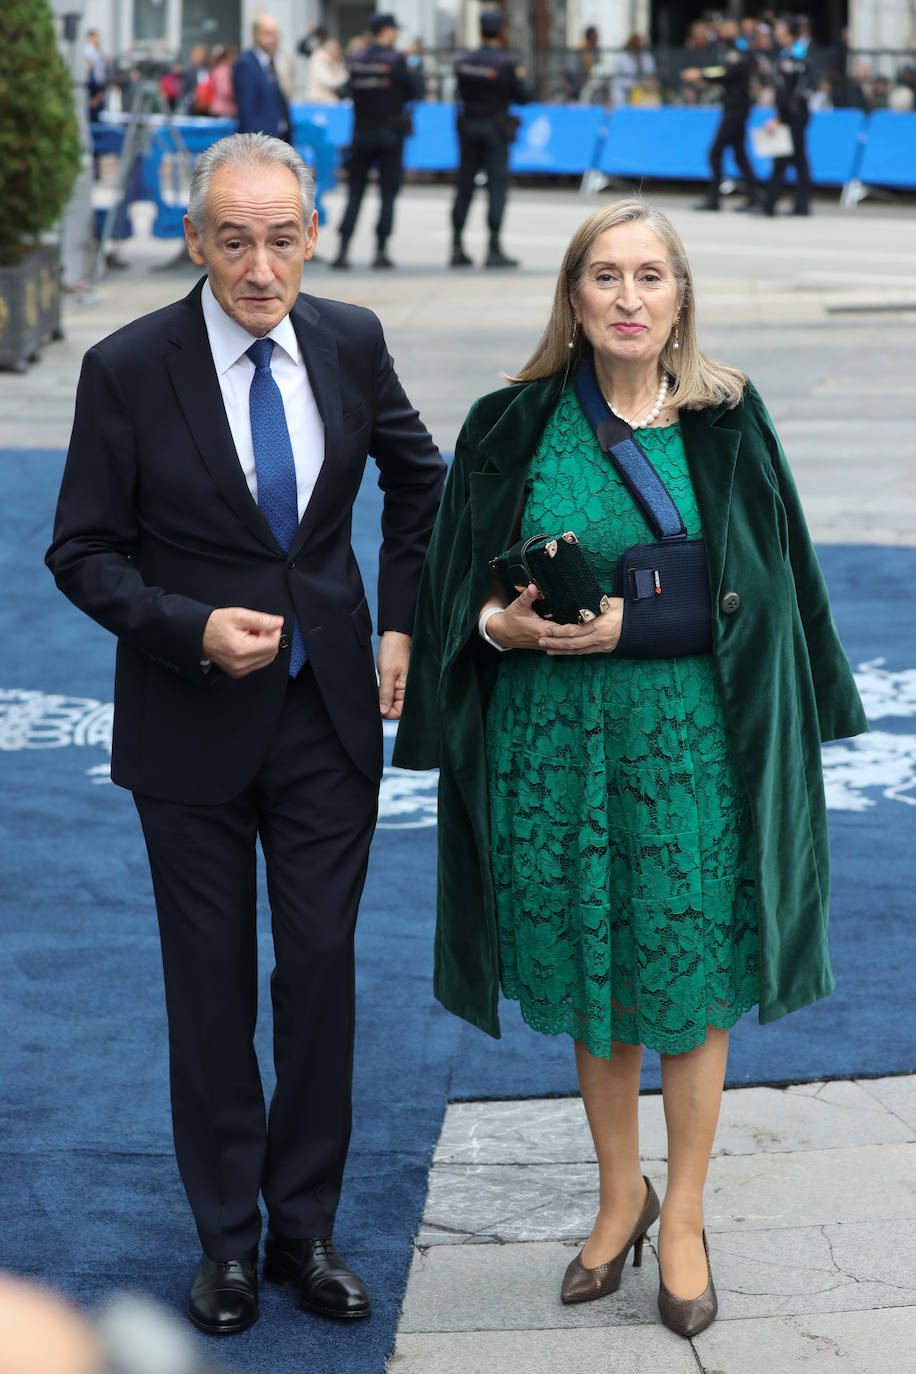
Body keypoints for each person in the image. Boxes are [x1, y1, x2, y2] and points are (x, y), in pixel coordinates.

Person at [393, 200, 866, 1338]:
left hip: (689, 742)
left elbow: (777, 584)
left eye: (649, 276)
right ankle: (619, 1202)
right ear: (571, 297)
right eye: (603, 275)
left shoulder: (729, 420)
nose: (626, 297)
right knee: (594, 986)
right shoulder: (508, 424)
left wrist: (638, 630)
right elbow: (457, 583)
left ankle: (687, 1214)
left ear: (680, 297)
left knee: (689, 987)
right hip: (551, 750)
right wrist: (499, 631)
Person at [46, 133, 445, 1341]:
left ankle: (304, 1231)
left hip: (328, 719)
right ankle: (225, 1243)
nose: (260, 267)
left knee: (319, 972)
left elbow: (420, 482)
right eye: (234, 240)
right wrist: (186, 627)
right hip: (190, 730)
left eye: (281, 239)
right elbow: (81, 553)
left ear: (313, 234)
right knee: (209, 993)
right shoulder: (127, 366)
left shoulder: (351, 338)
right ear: (195, 238)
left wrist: (401, 626)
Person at [332, 13, 423, 271]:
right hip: (389, 134)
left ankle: (343, 249)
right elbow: (417, 91)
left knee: (355, 193)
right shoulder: (397, 60)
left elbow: (348, 89)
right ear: (387, 31)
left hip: (361, 133)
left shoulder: (356, 59)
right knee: (387, 193)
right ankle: (381, 251)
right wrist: (413, 63)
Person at [450, 10, 532, 270]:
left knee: (464, 188)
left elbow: (459, 92)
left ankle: (456, 246)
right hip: (495, 130)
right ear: (501, 30)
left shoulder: (463, 61)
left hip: (469, 127)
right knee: (496, 189)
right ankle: (493, 248)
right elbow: (523, 96)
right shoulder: (505, 63)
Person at [686, 14, 761, 212]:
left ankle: (714, 199)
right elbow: (723, 71)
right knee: (739, 155)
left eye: (725, 27)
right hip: (733, 106)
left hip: (737, 108)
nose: (722, 31)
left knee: (715, 152)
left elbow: (729, 73)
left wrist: (702, 75)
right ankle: (754, 197)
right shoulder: (727, 49)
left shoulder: (739, 48)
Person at [763, 15, 812, 215]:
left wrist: (781, 117)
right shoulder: (784, 54)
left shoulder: (796, 55)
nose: (777, 34)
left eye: (781, 30)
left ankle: (770, 204)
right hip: (788, 114)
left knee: (785, 159)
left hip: (795, 115)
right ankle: (798, 205)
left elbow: (795, 91)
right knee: (796, 159)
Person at [233, 15, 292, 141]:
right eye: (268, 33)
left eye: (276, 33)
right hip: (261, 145)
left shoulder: (272, 62)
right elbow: (247, 112)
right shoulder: (246, 64)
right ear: (255, 35)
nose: (274, 39)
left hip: (278, 141)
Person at [305, 36, 348, 103]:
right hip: (319, 99)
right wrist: (344, 77)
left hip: (329, 98)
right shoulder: (319, 60)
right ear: (331, 50)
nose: (339, 53)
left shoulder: (336, 62)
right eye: (337, 50)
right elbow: (329, 82)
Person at [207, 45, 238, 118]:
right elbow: (226, 91)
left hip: (217, 107)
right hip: (225, 109)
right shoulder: (225, 70)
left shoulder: (217, 68)